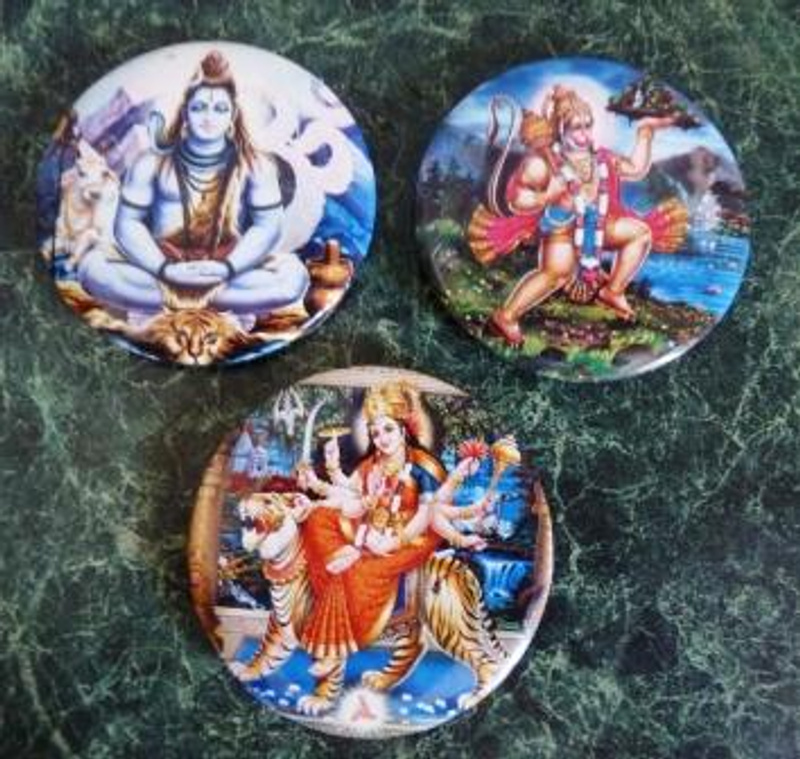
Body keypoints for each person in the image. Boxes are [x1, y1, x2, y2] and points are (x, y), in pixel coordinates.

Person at [78, 50, 309, 319]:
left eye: (219, 109)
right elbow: (127, 224)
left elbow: (268, 227)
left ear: (233, 115)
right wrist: (164, 268)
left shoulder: (256, 166)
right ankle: (216, 302)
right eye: (199, 108)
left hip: (227, 272)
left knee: (293, 279)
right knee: (92, 269)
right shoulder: (150, 162)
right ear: (185, 113)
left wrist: (227, 268)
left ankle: (180, 301)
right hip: (162, 269)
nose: (208, 117)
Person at [469, 84, 688, 344]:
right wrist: (548, 195)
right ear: (561, 129)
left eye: (588, 125)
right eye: (576, 127)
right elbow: (517, 200)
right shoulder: (541, 163)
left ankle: (613, 291)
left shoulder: (602, 158)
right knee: (555, 274)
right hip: (562, 228)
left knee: (640, 233)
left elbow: (635, 169)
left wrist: (645, 134)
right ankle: (505, 317)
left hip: (598, 224)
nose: (584, 134)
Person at [294, 382, 486, 677]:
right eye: (374, 433)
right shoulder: (372, 464)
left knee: (355, 572)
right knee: (318, 520)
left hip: (409, 537)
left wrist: (394, 542)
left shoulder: (420, 469)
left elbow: (427, 514)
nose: (381, 439)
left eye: (387, 430)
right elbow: (351, 493)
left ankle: (336, 650)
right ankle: (343, 560)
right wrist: (329, 470)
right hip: (370, 528)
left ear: (403, 430)